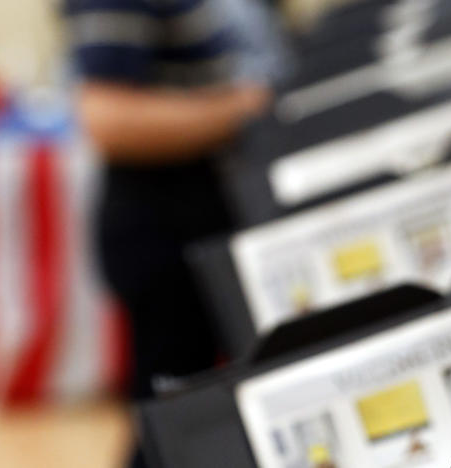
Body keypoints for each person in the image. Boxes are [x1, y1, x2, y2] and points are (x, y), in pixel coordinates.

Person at [64, 0, 291, 465]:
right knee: (171, 429)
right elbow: (108, 118)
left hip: (215, 219)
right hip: (163, 233)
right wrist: (245, 107)